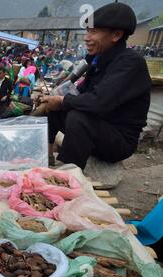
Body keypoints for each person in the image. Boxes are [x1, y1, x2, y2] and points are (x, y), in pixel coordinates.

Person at [40, 2, 152, 169]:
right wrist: (54, 101)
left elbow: (99, 102)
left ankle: (68, 176)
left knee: (78, 117)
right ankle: (47, 158)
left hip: (118, 139)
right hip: (98, 126)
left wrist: (63, 101)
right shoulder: (97, 60)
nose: (87, 37)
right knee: (54, 110)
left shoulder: (130, 62)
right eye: (87, 31)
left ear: (116, 35)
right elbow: (82, 94)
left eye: (93, 32)